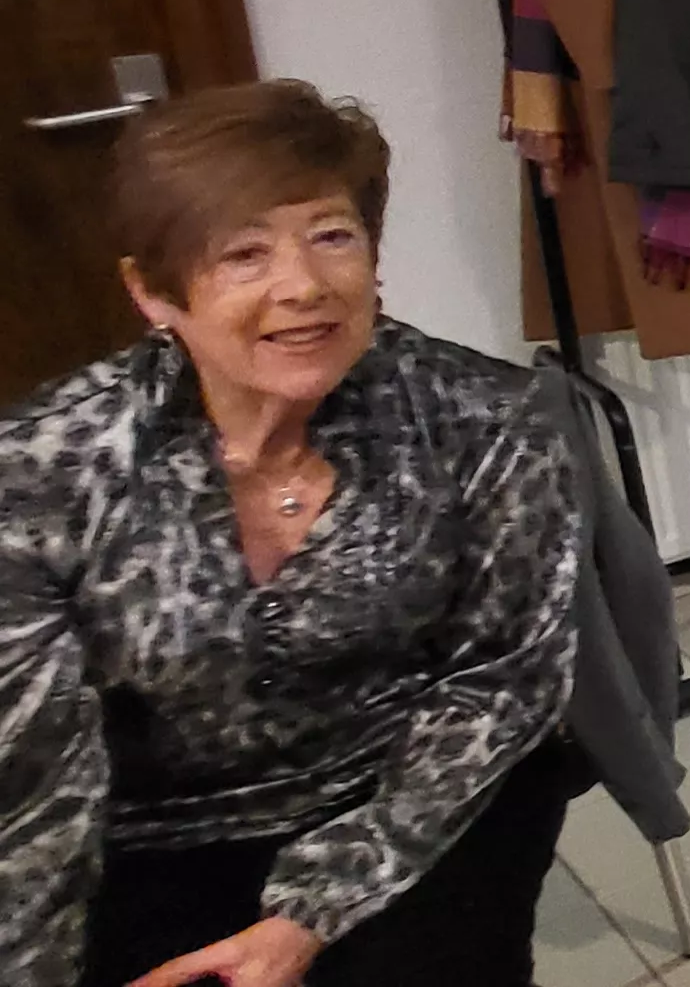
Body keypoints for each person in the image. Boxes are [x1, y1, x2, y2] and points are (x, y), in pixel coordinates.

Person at [1, 82, 585, 987]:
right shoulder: (47, 471)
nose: (303, 286)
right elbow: (35, 786)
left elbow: (501, 688)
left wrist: (306, 916)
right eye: (243, 253)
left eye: (332, 235)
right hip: (155, 837)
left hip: (412, 794)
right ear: (152, 292)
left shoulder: (486, 421)